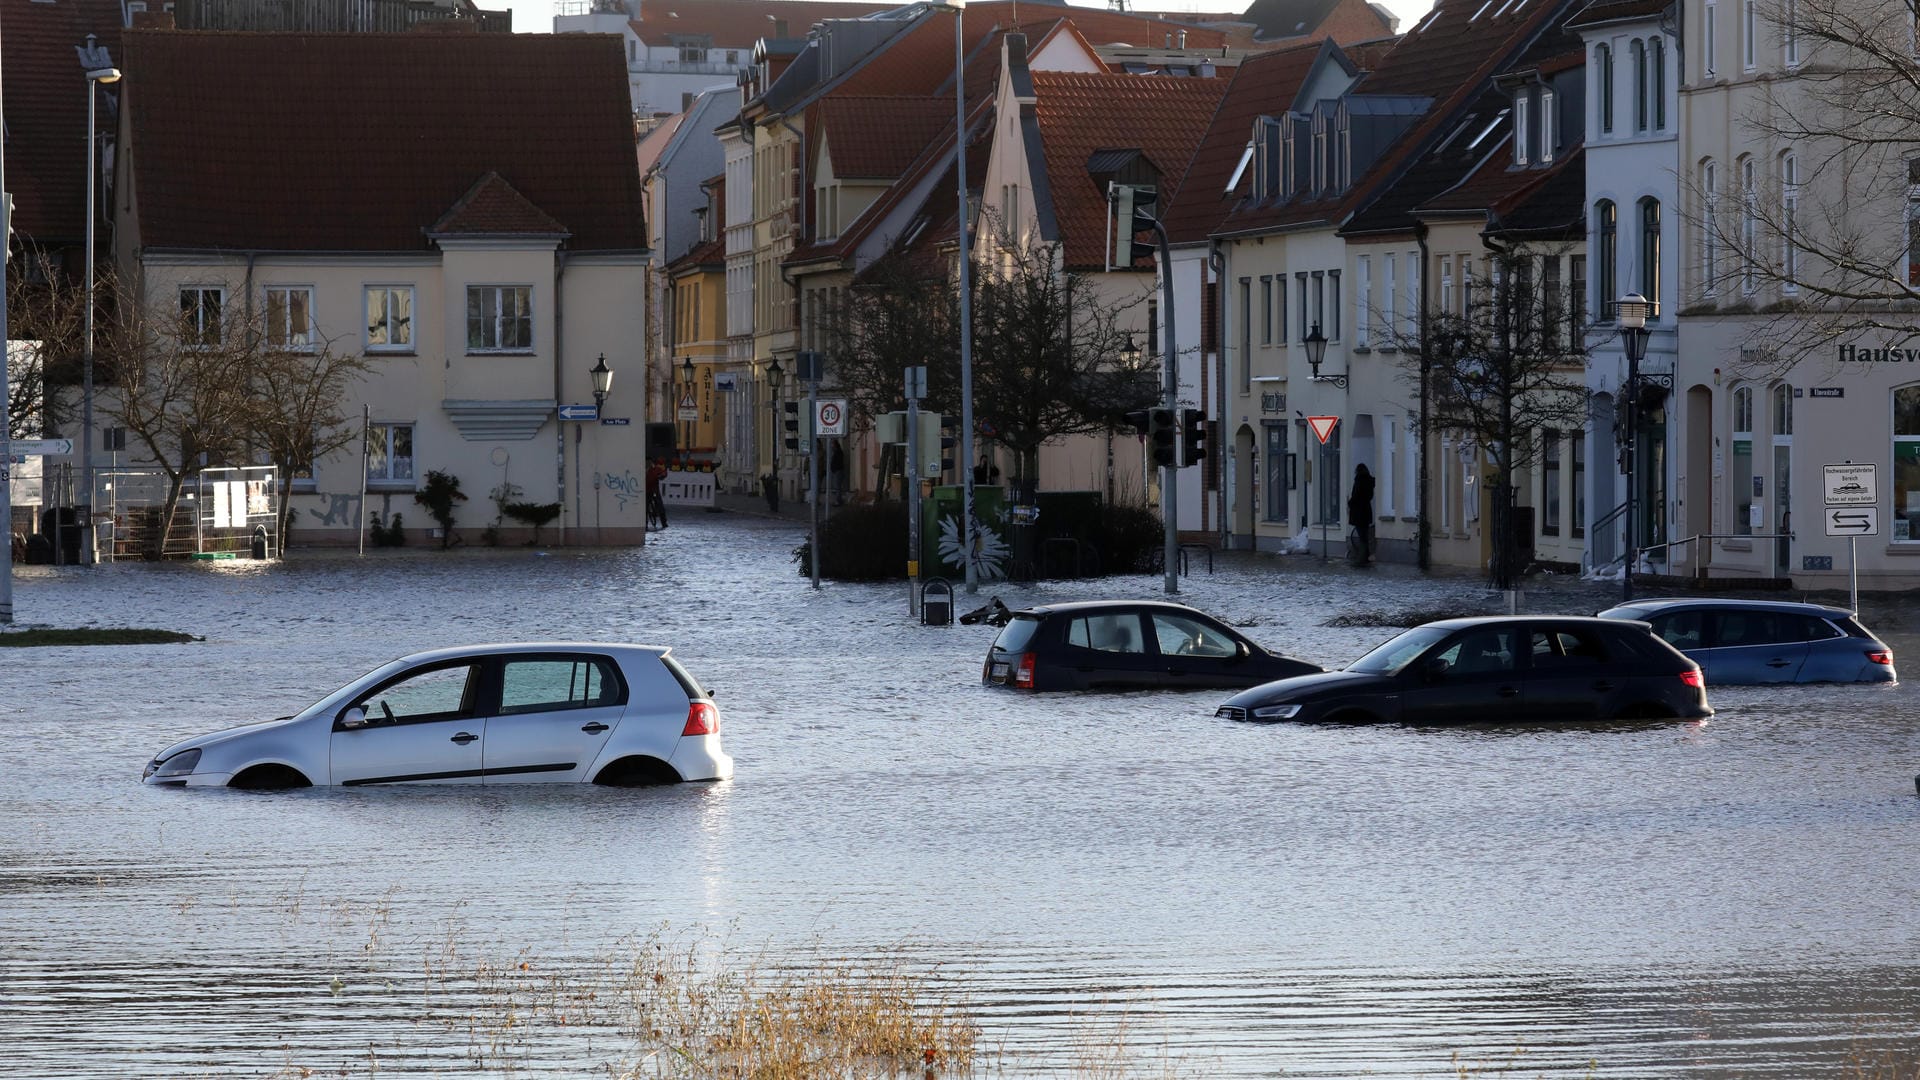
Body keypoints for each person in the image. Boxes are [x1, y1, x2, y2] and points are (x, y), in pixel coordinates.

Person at [1346, 463, 1375, 565]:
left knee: (1362, 536)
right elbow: (1369, 496)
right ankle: (1365, 557)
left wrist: (1350, 502)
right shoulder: (1370, 481)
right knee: (1364, 535)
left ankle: (1361, 559)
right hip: (1366, 511)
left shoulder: (1359, 480)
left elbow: (1356, 495)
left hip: (1359, 512)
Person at [646, 459, 669, 530]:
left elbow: (663, 473)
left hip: (654, 490)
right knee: (645, 507)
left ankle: (664, 522)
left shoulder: (656, 469)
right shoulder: (643, 469)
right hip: (646, 490)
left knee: (659, 505)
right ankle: (645, 523)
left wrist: (661, 476)